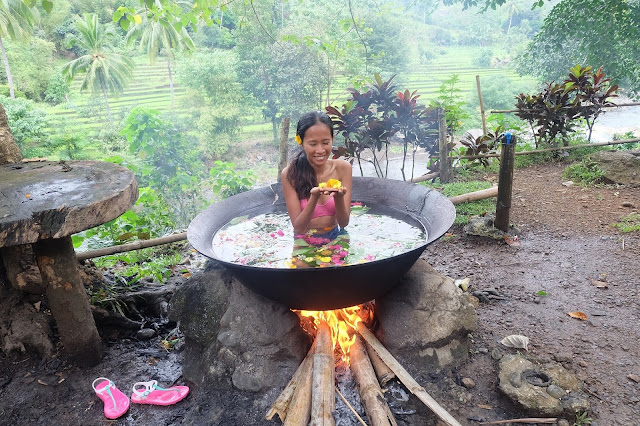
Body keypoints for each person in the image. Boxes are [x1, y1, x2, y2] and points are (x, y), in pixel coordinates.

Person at [281, 111, 353, 266]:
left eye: (325, 143)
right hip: (304, 239)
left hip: (335, 235)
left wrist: (339, 197)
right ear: (301, 142)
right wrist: (313, 197)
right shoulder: (290, 174)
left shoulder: (343, 168)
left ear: (332, 139)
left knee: (342, 272)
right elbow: (299, 228)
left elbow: (344, 222)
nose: (320, 150)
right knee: (301, 269)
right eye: (313, 144)